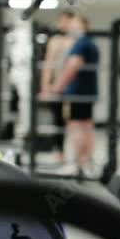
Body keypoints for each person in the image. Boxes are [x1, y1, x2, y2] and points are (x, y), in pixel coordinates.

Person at [47, 11, 100, 176]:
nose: (70, 27)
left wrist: (57, 86)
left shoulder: (80, 44)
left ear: (82, 26)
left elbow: (72, 66)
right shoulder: (91, 43)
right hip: (87, 93)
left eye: (74, 24)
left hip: (76, 93)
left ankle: (77, 164)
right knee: (86, 127)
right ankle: (85, 163)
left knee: (76, 127)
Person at [40, 9, 76, 165]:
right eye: (61, 21)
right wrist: (45, 86)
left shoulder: (75, 40)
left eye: (66, 21)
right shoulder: (54, 41)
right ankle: (60, 152)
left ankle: (75, 152)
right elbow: (48, 65)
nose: (63, 24)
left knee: (75, 121)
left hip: (73, 86)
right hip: (57, 88)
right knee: (58, 120)